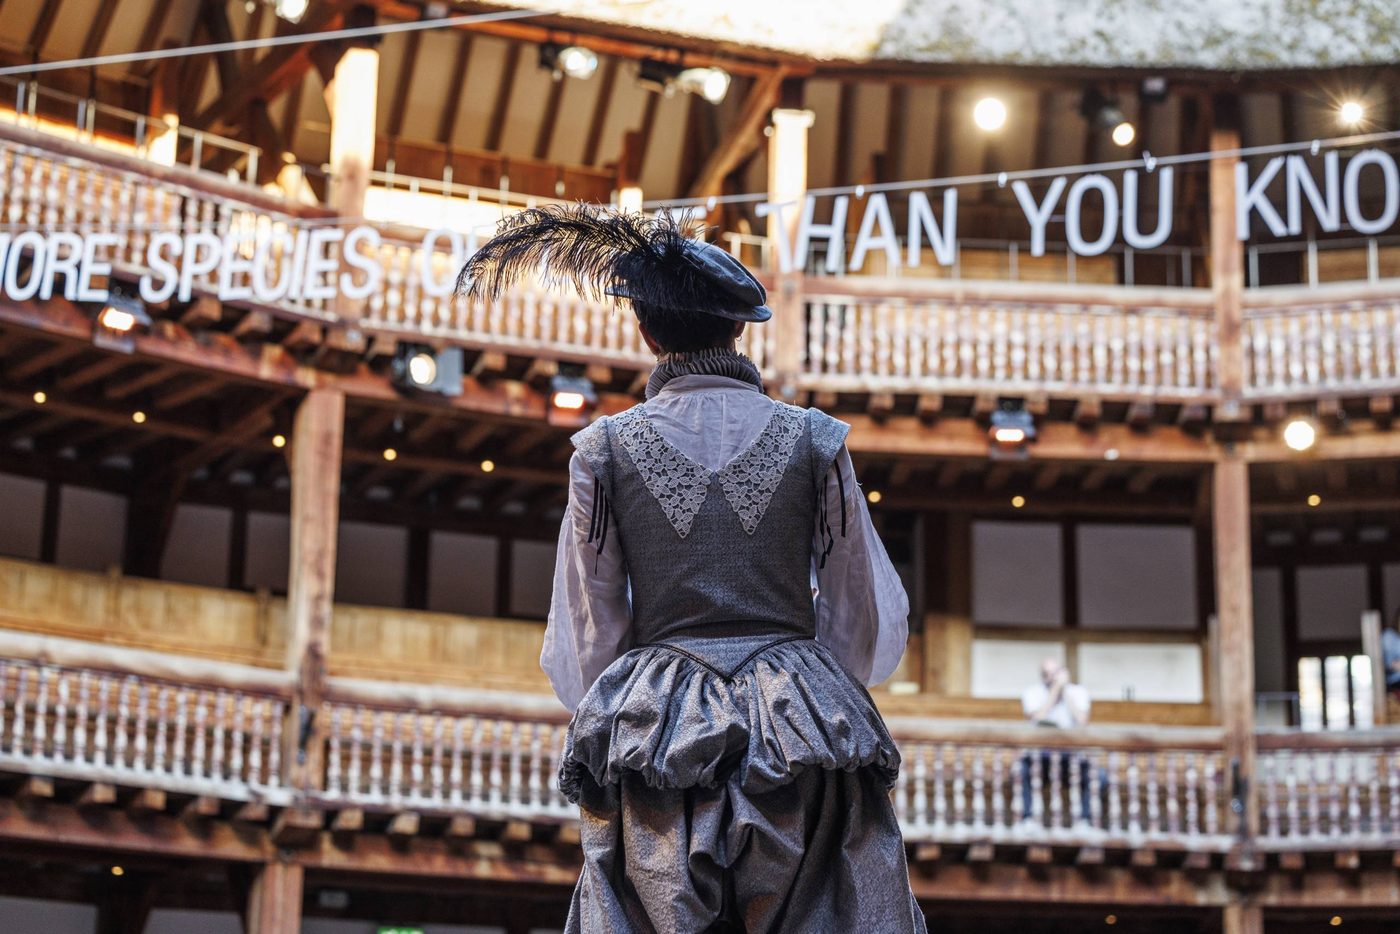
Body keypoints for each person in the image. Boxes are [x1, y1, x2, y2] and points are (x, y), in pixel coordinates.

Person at [461, 205, 926, 933]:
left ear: (646, 331)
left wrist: (620, 714)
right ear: (740, 327)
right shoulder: (816, 440)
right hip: (803, 719)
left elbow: (592, 621)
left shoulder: (604, 450)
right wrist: (818, 698)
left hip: (660, 729)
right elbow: (856, 608)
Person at [1019, 657, 1092, 825]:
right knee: (1021, 771)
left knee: (1097, 777)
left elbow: (1082, 721)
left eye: (1055, 673)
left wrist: (1064, 691)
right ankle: (1028, 818)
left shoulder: (1078, 692)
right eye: (1046, 674)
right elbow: (1036, 719)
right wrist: (1055, 690)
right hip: (1040, 757)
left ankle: (1085, 820)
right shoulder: (1032, 692)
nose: (1051, 677)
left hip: (1071, 757)